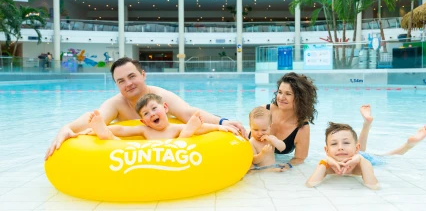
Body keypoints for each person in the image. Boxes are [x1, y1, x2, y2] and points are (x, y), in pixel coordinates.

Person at [45, 57, 246, 160]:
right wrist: (66, 128)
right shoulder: (115, 104)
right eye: (121, 81)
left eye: (132, 76)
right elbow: (93, 119)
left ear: (143, 74)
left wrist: (221, 122)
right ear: (116, 84)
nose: (128, 84)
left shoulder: (159, 96)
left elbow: (188, 113)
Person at [87, 94, 237, 140]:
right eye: (146, 114)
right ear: (143, 121)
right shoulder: (144, 130)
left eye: (154, 109)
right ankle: (103, 132)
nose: (151, 114)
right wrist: (99, 130)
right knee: (115, 141)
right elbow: (121, 129)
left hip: (175, 150)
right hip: (148, 154)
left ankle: (188, 131)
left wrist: (220, 127)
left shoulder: (175, 128)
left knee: (185, 135)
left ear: (165, 108)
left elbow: (202, 129)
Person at [255, 72, 318, 167]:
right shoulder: (264, 111)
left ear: (300, 98)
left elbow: (299, 158)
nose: (281, 98)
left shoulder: (301, 127)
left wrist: (287, 166)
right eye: (280, 92)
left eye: (288, 94)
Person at [306, 122, 380, 190]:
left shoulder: (363, 163)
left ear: (356, 148)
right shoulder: (325, 164)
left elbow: (373, 186)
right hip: (355, 153)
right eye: (334, 144)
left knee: (379, 156)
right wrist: (326, 160)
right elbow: (310, 184)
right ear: (327, 150)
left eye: (346, 143)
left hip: (364, 157)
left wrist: (360, 159)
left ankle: (366, 125)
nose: (340, 147)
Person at [248, 106, 289, 172]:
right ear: (250, 127)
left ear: (270, 126)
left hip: (272, 166)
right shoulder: (252, 142)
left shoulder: (271, 139)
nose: (260, 133)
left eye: (264, 130)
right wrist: (262, 153)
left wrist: (273, 140)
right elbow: (254, 161)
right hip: (260, 170)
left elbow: (282, 147)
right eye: (256, 130)